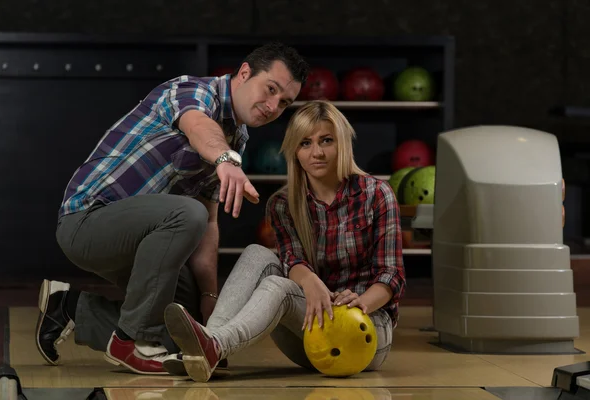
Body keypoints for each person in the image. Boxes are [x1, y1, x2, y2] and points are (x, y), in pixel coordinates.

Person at [35, 42, 309, 375]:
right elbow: (198, 127)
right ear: (245, 73)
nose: (272, 106)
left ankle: (69, 307)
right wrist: (225, 160)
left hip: (146, 237)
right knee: (185, 214)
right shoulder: (193, 90)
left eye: (284, 102)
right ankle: (128, 341)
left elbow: (209, 223)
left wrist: (209, 299)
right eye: (270, 89)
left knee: (184, 328)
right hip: (88, 221)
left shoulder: (237, 139)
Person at [163, 100, 406, 382]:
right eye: (305, 143)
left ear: (342, 144)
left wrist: (361, 302)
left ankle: (213, 346)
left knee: (276, 285)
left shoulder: (377, 194)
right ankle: (210, 342)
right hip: (311, 328)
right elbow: (292, 259)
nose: (316, 152)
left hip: (366, 332)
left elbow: (392, 275)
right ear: (295, 152)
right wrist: (312, 283)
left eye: (326, 141)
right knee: (258, 253)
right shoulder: (283, 203)